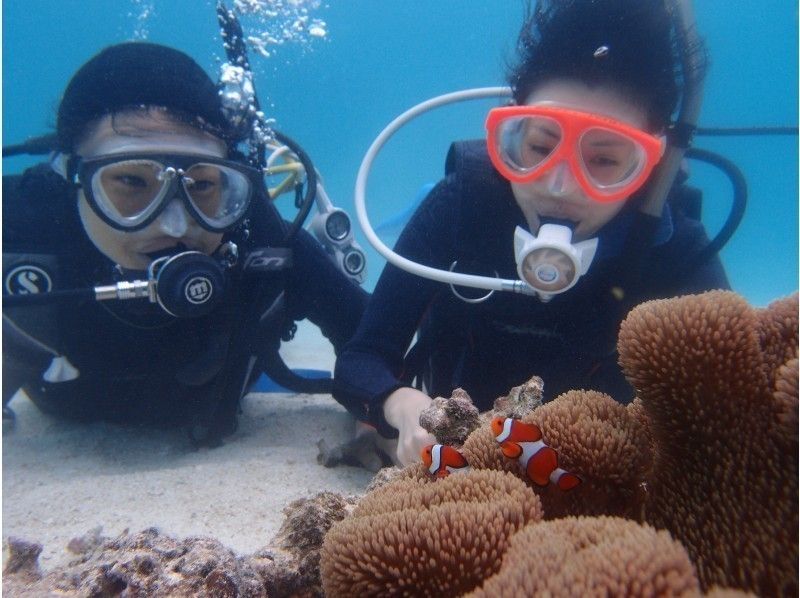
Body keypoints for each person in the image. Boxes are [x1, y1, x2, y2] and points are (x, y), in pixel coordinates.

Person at [333, 0, 730, 465]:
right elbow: (361, 360)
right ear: (512, 137)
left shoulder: (675, 250)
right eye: (541, 146)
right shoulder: (460, 206)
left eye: (603, 161)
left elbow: (729, 398)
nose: (559, 187)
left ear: (650, 168)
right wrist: (401, 408)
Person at [2, 42, 368, 445]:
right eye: (131, 181)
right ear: (70, 177)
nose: (174, 224)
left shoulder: (264, 242)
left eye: (203, 185)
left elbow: (372, 340)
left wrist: (377, 416)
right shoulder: (21, 232)